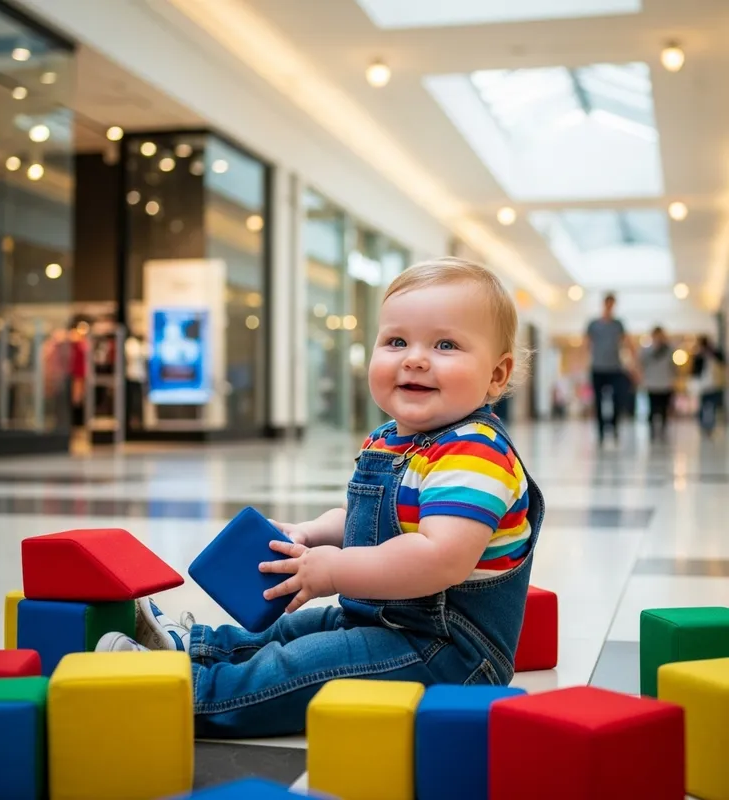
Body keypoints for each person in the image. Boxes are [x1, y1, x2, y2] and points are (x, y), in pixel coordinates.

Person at [96, 258, 545, 739]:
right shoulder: (391, 438)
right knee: (296, 631)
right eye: (397, 341)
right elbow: (364, 515)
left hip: (448, 653)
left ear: (497, 376)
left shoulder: (475, 452)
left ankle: (186, 693)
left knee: (303, 663)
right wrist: (311, 532)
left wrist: (333, 569)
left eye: (445, 345)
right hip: (384, 619)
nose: (414, 358)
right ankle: (194, 646)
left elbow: (440, 558)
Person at [586, 293, 632, 444]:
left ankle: (614, 427)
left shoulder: (618, 324)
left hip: (615, 368)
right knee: (598, 401)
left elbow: (626, 343)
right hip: (597, 368)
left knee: (617, 399)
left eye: (612, 304)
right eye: (608, 303)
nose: (610, 306)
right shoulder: (593, 324)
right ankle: (600, 431)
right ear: (604, 304)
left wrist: (634, 364)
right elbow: (586, 344)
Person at [639, 326, 675, 441]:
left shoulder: (669, 350)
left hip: (665, 384)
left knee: (664, 409)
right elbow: (641, 365)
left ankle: (663, 431)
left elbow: (673, 367)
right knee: (652, 409)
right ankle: (652, 432)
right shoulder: (646, 351)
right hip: (652, 384)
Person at [691, 335, 726, 436]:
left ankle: (710, 425)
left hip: (715, 384)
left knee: (713, 406)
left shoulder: (716, 354)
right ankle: (704, 425)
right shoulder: (698, 356)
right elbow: (695, 371)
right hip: (703, 386)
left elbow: (722, 363)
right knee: (704, 405)